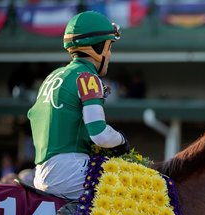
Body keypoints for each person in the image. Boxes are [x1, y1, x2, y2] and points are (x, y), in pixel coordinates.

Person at [28, 11, 129, 204]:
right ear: (98, 48)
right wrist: (121, 140)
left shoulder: (53, 76)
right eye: (109, 47)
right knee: (135, 190)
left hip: (40, 173)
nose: (110, 55)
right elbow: (100, 134)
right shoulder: (88, 78)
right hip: (70, 174)